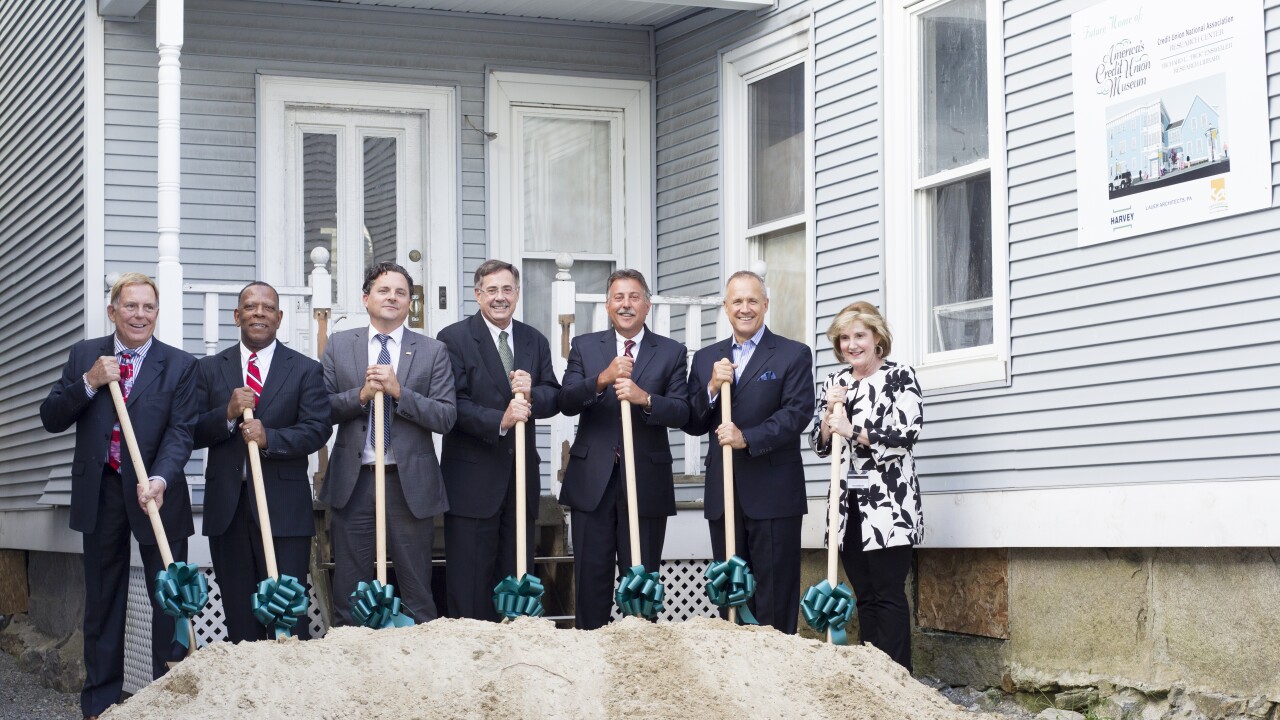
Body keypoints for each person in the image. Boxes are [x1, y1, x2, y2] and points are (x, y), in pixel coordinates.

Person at [39, 272, 198, 719]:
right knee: (104, 600)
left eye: (148, 307)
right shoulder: (86, 356)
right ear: (113, 310)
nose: (140, 315)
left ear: (157, 313)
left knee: (168, 597)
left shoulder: (180, 365)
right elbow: (51, 416)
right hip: (103, 490)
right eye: (131, 306)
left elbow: (181, 433)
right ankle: (101, 703)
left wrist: (162, 479)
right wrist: (88, 382)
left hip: (155, 494)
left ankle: (167, 700)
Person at [192, 282, 332, 642]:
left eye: (267, 308)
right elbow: (190, 430)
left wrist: (271, 438)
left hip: (283, 509)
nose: (259, 313)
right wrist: (226, 413)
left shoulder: (304, 369)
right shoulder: (209, 369)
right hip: (228, 508)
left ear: (279, 318)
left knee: (286, 611)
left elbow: (317, 430)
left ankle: (289, 693)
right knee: (240, 613)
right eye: (250, 307)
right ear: (237, 316)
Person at [320, 261, 457, 625]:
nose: (392, 297)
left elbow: (445, 416)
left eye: (401, 292)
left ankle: (418, 667)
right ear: (366, 298)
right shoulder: (340, 345)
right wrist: (362, 395)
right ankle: (352, 665)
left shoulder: (432, 350)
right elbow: (321, 409)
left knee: (416, 587)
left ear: (410, 302)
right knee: (351, 587)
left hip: (408, 482)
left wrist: (400, 393)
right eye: (383, 290)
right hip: (356, 481)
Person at [558, 269, 690, 630]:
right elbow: (566, 400)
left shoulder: (671, 351)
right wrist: (602, 378)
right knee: (591, 580)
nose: (626, 304)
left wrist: (644, 398)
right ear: (607, 305)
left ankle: (641, 663)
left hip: (645, 480)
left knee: (641, 581)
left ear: (647, 305)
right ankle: (590, 656)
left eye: (634, 297)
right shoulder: (586, 346)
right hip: (592, 482)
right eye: (619, 297)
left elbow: (682, 410)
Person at [684, 270, 812, 634]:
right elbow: (693, 421)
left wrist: (748, 437)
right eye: (737, 301)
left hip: (773, 490)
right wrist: (711, 386)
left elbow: (797, 413)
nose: (745, 308)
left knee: (774, 589)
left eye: (752, 301)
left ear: (766, 305)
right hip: (724, 492)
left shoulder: (792, 354)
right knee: (733, 586)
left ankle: (778, 668)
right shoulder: (708, 357)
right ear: (726, 308)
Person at [437, 260, 561, 621]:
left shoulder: (533, 339)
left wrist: (533, 394)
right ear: (478, 295)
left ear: (517, 294)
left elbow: (555, 395)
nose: (500, 297)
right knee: (470, 584)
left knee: (517, 577)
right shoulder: (454, 339)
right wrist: (500, 420)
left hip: (520, 481)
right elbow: (453, 406)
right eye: (491, 290)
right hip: (472, 483)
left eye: (507, 289)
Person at [810, 301, 923, 671]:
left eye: (859, 335)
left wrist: (853, 430)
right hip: (847, 505)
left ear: (877, 338)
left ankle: (898, 678)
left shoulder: (899, 377)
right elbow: (820, 444)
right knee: (865, 596)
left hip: (890, 502)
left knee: (889, 594)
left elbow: (905, 435)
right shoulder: (834, 383)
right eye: (844, 337)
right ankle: (873, 677)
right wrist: (830, 417)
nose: (851, 344)